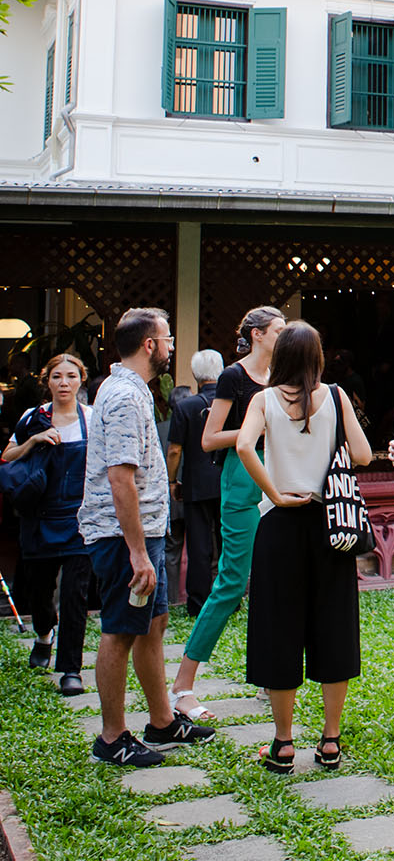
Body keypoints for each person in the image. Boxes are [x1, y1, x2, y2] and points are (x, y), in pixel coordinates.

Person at [78, 307, 215, 766]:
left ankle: (161, 721)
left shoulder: (136, 392)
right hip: (122, 539)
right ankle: (112, 737)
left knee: (153, 624)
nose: (173, 345)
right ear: (149, 345)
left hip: (146, 533)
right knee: (119, 629)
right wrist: (137, 552)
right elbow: (120, 480)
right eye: (168, 337)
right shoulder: (122, 397)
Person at [237, 321, 371, 772]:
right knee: (333, 626)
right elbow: (365, 455)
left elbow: (242, 446)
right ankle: (330, 741)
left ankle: (283, 743)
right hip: (329, 524)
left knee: (280, 628)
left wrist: (274, 492)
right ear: (318, 357)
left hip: (279, 525)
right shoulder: (335, 396)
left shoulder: (264, 399)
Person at [169, 306, 285, 723]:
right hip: (241, 480)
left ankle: (272, 677)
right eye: (278, 330)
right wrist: (258, 426)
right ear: (256, 335)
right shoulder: (233, 377)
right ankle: (182, 685)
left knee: (275, 582)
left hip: (282, 475)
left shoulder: (286, 374)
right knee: (232, 583)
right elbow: (209, 438)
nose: (284, 335)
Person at [4, 353, 92, 695]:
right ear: (48, 381)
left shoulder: (92, 417)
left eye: (71, 376)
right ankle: (44, 635)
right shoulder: (32, 417)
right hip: (39, 517)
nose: (64, 383)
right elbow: (7, 457)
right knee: (40, 591)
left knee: (75, 595)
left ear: (81, 380)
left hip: (79, 519)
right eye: (57, 376)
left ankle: (71, 667)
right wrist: (33, 441)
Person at [164, 350, 225, 619]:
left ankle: (198, 603)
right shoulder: (232, 403)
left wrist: (171, 481)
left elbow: (174, 450)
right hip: (228, 480)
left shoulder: (186, 407)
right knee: (228, 542)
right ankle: (229, 599)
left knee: (199, 545)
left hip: (196, 482)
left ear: (195, 375)